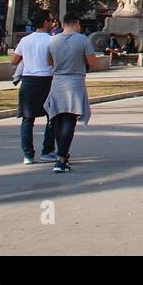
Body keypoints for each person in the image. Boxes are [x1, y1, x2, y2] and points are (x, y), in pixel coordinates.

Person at [44, 15, 96, 174]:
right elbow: (91, 62)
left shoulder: (53, 40)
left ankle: (62, 153)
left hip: (57, 81)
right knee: (69, 120)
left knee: (58, 119)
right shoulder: (83, 40)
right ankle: (61, 158)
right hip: (74, 81)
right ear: (76, 23)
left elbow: (49, 61)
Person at [12, 11, 57, 165]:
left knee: (27, 119)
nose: (53, 23)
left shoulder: (25, 40)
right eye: (51, 20)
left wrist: (29, 57)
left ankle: (28, 155)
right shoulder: (52, 40)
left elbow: (14, 60)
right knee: (52, 118)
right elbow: (55, 61)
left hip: (28, 81)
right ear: (45, 22)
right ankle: (47, 151)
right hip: (47, 80)